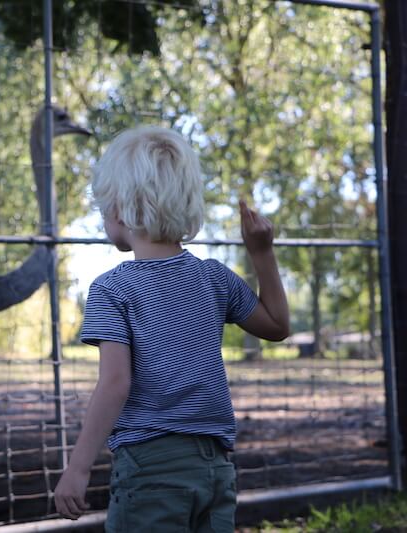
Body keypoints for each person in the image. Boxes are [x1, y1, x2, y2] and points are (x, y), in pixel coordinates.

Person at [53, 125, 290, 532]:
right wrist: (262, 254)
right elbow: (277, 325)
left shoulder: (113, 288)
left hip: (150, 472)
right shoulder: (214, 278)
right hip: (214, 467)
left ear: (122, 210)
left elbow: (115, 384)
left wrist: (77, 467)